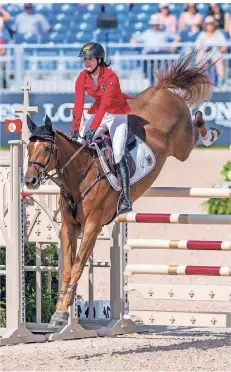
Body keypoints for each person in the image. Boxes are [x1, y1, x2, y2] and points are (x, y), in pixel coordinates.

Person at [70, 42, 134, 215]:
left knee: (118, 153)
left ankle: (126, 198)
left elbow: (106, 104)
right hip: (99, 113)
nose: (86, 62)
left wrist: (94, 127)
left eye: (90, 59)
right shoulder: (82, 77)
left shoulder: (111, 76)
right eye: (84, 59)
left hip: (117, 116)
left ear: (99, 59)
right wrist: (75, 126)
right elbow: (78, 104)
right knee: (78, 142)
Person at [195, 16, 227, 86]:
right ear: (205, 25)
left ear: (214, 24)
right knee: (200, 62)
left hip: (215, 54)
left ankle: (221, 83)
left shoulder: (218, 33)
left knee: (219, 62)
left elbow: (224, 46)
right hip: (204, 55)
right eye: (208, 24)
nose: (210, 25)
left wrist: (220, 50)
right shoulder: (202, 34)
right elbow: (197, 47)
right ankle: (202, 83)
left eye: (211, 24)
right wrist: (203, 49)